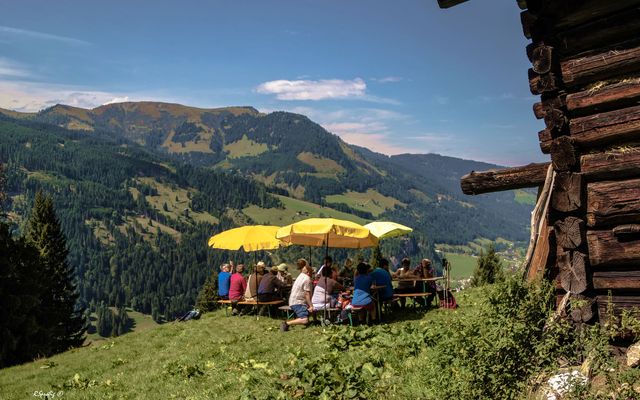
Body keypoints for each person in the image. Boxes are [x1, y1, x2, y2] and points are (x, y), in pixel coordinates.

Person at [281, 264, 314, 332]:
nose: (312, 274)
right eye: (312, 272)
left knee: (308, 314)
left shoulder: (300, 276)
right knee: (305, 320)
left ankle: (314, 320)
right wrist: (311, 305)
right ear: (308, 272)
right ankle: (286, 323)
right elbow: (307, 294)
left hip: (292, 300)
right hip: (298, 302)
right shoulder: (307, 279)